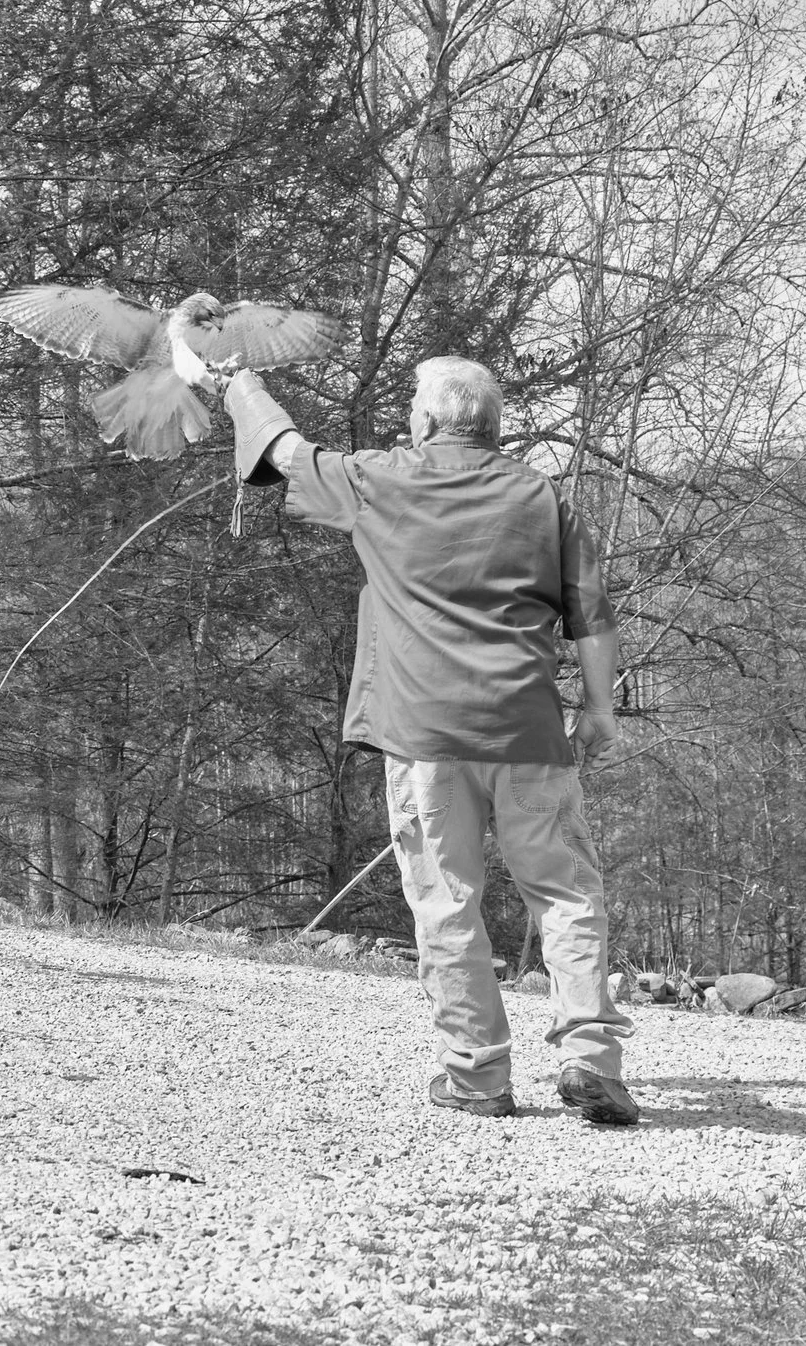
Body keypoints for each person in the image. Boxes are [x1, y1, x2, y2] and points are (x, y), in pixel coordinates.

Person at [225, 356, 639, 1126]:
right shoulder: (545, 497)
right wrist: (601, 710)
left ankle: (478, 1075)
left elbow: (282, 449)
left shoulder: (384, 479)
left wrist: (235, 380)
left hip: (425, 739)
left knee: (447, 902)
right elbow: (592, 615)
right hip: (528, 730)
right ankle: (590, 1055)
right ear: (495, 424)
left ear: (423, 422)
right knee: (565, 892)